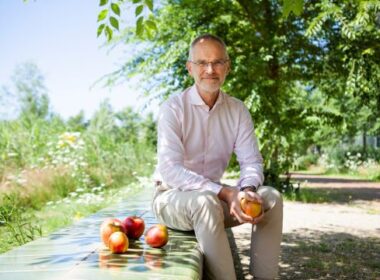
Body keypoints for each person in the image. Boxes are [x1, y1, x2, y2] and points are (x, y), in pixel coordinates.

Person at [152, 34, 283, 280]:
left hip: (212, 202)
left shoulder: (238, 110)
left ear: (228, 67)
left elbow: (252, 162)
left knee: (271, 198)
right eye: (202, 63)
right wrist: (225, 192)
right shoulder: (172, 108)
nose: (210, 70)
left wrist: (246, 189)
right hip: (171, 199)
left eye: (217, 62)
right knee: (206, 201)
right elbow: (170, 169)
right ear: (190, 68)